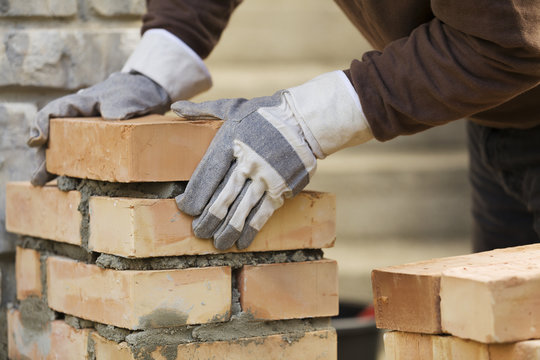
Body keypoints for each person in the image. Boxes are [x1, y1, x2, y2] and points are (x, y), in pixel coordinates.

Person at [28, 0, 540, 252]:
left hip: (515, 78)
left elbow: (511, 38)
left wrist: (307, 123)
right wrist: (153, 69)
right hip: (497, 111)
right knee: (495, 322)